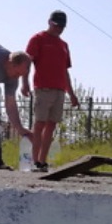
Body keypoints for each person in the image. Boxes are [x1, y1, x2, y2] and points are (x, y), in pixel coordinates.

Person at [22, 10, 80, 172]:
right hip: (43, 88)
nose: (59, 29)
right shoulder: (38, 39)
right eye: (56, 25)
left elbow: (65, 71)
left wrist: (72, 93)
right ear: (49, 22)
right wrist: (24, 83)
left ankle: (42, 160)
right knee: (39, 123)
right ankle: (34, 161)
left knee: (51, 125)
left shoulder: (64, 45)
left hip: (60, 89)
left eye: (62, 27)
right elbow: (27, 62)